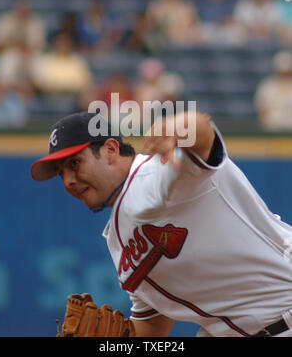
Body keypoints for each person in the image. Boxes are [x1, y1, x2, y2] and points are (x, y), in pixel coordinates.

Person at [30, 111, 292, 337]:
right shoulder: (117, 238)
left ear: (110, 150)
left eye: (75, 163)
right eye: (61, 172)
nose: (68, 181)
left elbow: (202, 132)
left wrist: (175, 128)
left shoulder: (157, 171)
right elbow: (153, 324)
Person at [254, 50, 292, 131]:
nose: (284, 75)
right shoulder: (267, 86)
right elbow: (261, 109)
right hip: (272, 130)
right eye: (281, 72)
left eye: (286, 73)